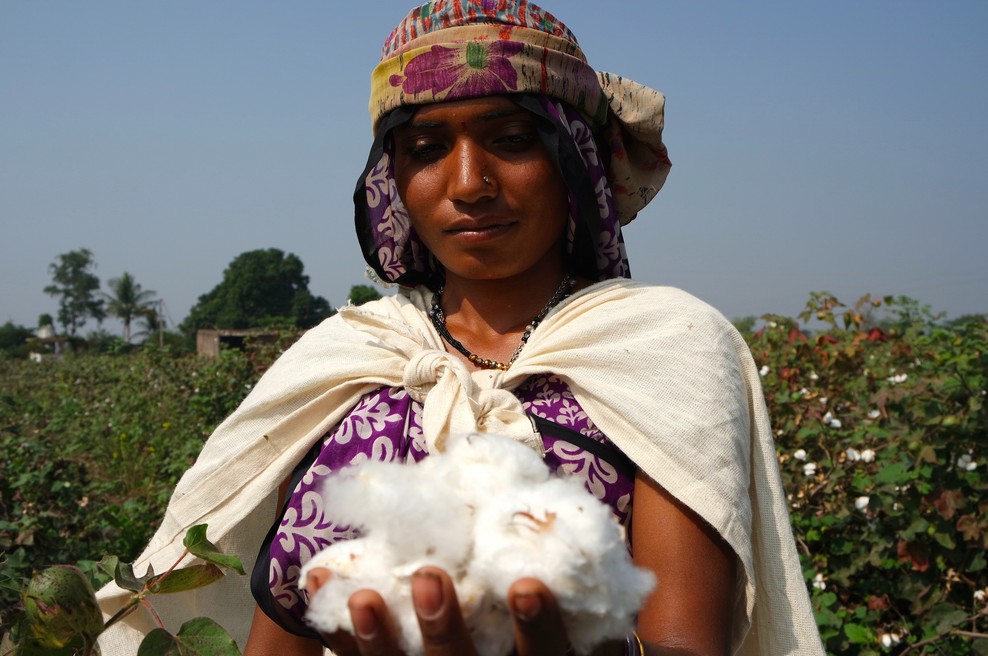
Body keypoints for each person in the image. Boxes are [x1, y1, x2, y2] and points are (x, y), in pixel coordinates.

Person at [97, 2, 824, 655]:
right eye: (424, 148)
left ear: (574, 158)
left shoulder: (663, 351)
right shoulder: (350, 361)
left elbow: (684, 641)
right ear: (394, 177)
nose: (469, 182)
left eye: (511, 139)